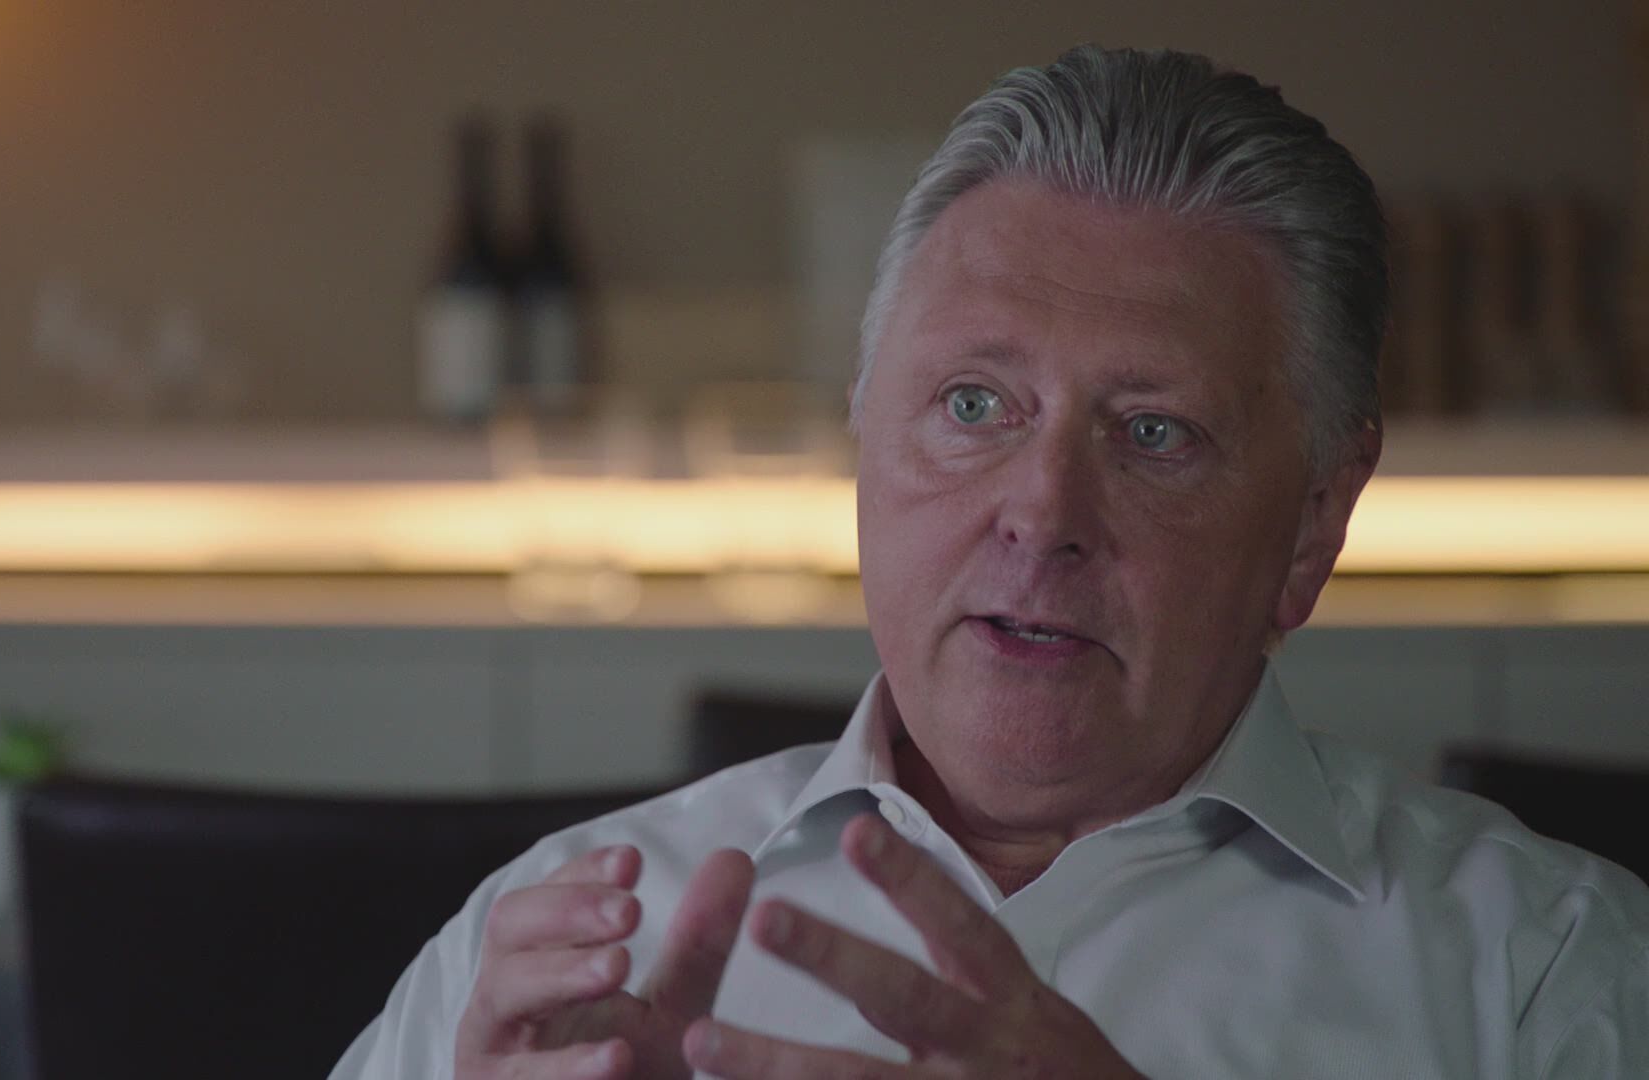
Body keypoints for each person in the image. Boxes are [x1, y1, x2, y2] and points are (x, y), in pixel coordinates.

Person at [332, 45, 1649, 1078]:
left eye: (1153, 432)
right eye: (974, 405)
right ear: (864, 435)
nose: (1042, 512)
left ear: (1315, 520)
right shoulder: (553, 950)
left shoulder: (1546, 975)